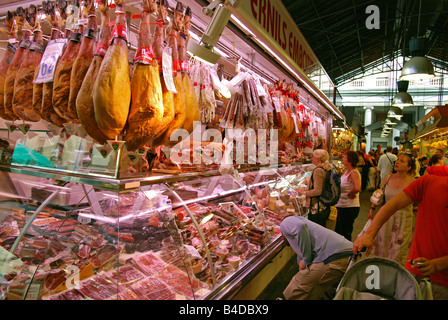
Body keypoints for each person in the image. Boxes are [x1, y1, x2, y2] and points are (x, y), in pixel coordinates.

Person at [353, 174, 448, 300]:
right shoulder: (429, 182)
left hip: (443, 283)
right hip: (414, 271)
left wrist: (437, 265)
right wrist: (369, 234)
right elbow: (392, 205)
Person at [281, 215, 353, 300]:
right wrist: (303, 267)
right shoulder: (306, 231)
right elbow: (301, 255)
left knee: (294, 290)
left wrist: (306, 261)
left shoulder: (285, 222)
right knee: (319, 291)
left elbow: (299, 227)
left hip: (334, 257)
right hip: (349, 256)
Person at [369, 153, 416, 265]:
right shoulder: (388, 178)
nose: (398, 162)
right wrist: (372, 209)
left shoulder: (414, 182)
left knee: (399, 250)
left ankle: (395, 275)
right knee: (383, 247)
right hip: (386, 217)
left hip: (404, 219)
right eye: (397, 160)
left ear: (409, 167)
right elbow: (379, 194)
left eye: (402, 161)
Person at [298, 149, 333, 227]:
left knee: (316, 231)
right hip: (323, 207)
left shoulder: (318, 170)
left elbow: (318, 191)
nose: (312, 158)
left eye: (313, 157)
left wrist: (304, 192)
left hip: (317, 208)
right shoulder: (325, 168)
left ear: (318, 158)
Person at [335, 150, 361, 241]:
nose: (342, 159)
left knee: (345, 232)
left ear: (350, 161)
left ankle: (349, 252)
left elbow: (357, 188)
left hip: (349, 207)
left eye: (344, 157)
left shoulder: (353, 172)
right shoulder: (347, 172)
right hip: (343, 206)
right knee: (340, 231)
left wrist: (350, 194)